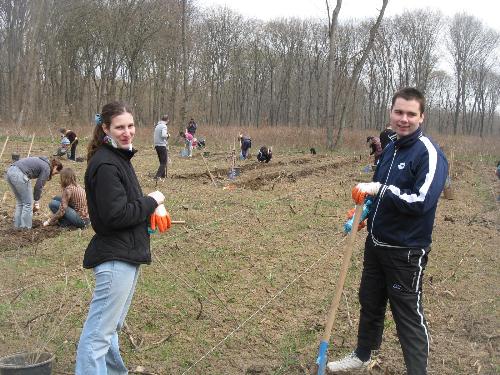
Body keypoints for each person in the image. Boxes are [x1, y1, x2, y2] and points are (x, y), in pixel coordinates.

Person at [327, 88, 448, 375]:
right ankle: (362, 355)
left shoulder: (429, 154)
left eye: (410, 114)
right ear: (391, 112)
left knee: (407, 315)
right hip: (376, 243)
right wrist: (364, 212)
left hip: (405, 252)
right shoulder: (391, 148)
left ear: (421, 116)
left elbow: (421, 201)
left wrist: (379, 189)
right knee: (369, 302)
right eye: (399, 112)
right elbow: (378, 190)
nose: (403, 119)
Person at [75, 101, 167, 374]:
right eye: (119, 127)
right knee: (97, 336)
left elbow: (125, 205)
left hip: (126, 253)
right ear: (105, 128)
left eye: (130, 126)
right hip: (116, 258)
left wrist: (150, 208)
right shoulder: (106, 164)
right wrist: (151, 200)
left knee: (109, 328)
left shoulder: (119, 158)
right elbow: (115, 216)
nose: (127, 132)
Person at [5, 157, 63, 229]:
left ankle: (17, 227)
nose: (54, 174)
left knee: (21, 202)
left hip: (10, 171)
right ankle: (25, 228)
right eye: (56, 172)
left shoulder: (42, 161)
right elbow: (39, 186)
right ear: (56, 166)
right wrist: (36, 201)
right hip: (19, 174)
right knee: (28, 203)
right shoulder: (47, 167)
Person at [153, 115, 170, 179]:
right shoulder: (164, 126)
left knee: (161, 162)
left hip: (157, 145)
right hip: (162, 145)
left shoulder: (157, 125)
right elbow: (163, 135)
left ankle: (163, 176)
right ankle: (157, 176)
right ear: (167, 120)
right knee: (164, 162)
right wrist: (168, 135)